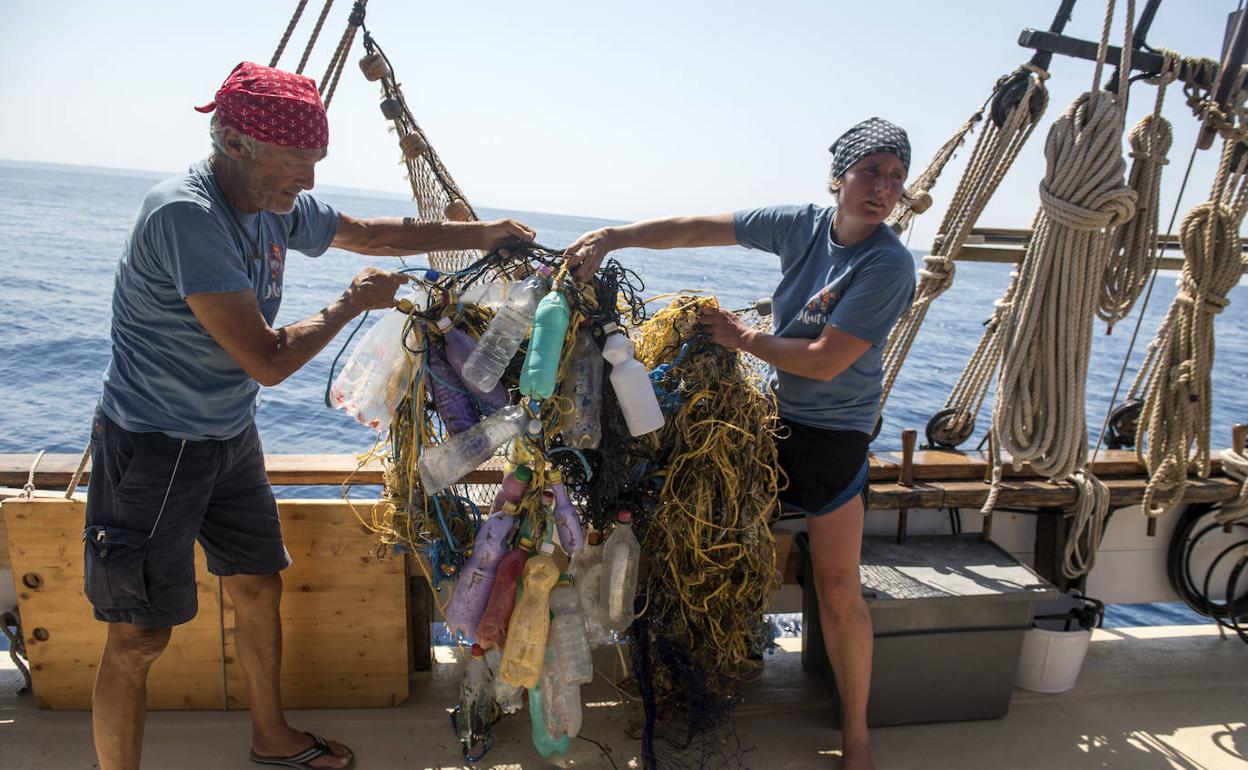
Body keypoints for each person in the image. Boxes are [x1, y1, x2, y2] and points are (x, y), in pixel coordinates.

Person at [83, 62, 535, 770]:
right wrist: (351, 304)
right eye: (296, 162)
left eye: (315, 162)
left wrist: (484, 235)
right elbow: (265, 360)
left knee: (259, 586)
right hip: (153, 447)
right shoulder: (187, 216)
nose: (309, 181)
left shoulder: (271, 204)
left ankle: (271, 737)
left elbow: (367, 233)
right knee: (139, 638)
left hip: (228, 436)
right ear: (235, 142)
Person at [564, 117, 917, 770]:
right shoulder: (800, 225)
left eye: (896, 178)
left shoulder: (889, 264)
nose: (883, 188)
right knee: (695, 538)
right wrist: (614, 236)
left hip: (835, 438)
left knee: (839, 589)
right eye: (871, 172)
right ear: (839, 176)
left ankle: (859, 738)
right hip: (771, 424)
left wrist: (743, 338)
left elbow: (824, 360)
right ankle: (687, 683)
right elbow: (698, 228)